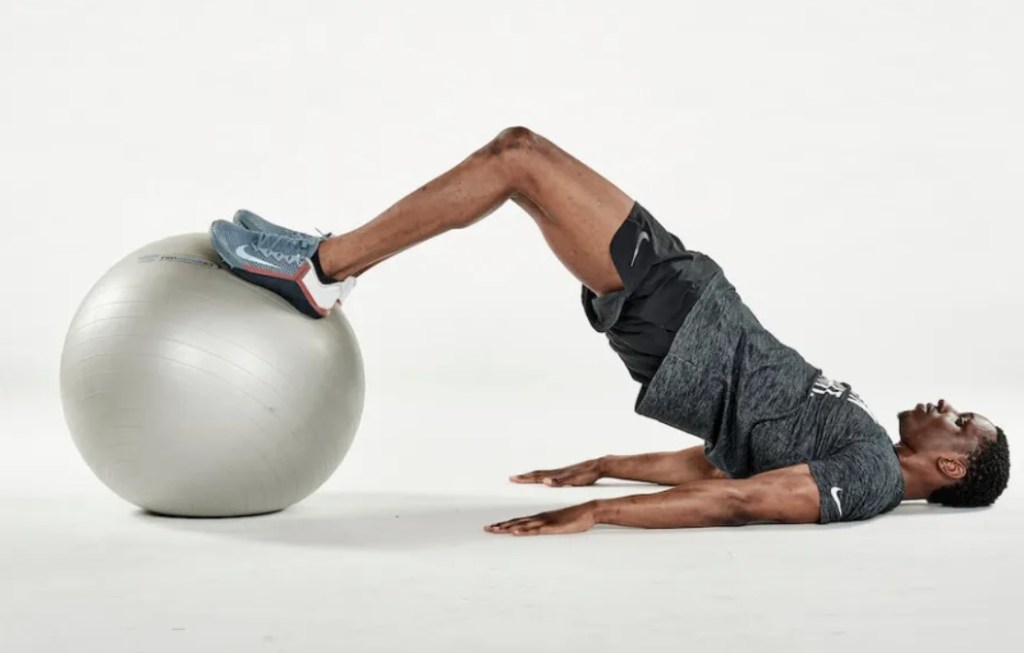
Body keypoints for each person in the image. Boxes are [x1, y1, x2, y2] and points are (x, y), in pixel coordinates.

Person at [209, 126, 1010, 536]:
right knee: (519, 174)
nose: (949, 404)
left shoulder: (868, 477)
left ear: (948, 463)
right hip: (690, 305)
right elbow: (726, 455)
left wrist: (603, 515)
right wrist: (607, 466)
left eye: (964, 420)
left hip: (684, 318)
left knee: (518, 156)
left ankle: (322, 266)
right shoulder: (860, 440)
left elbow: (749, 499)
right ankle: (326, 258)